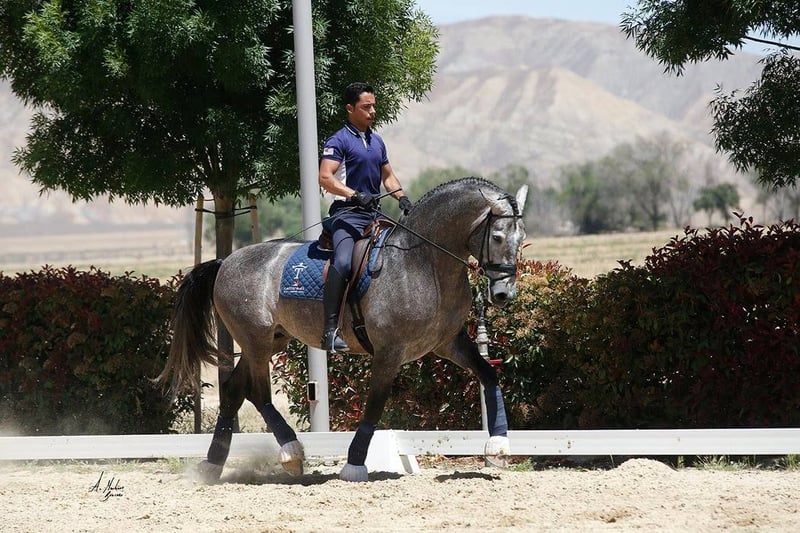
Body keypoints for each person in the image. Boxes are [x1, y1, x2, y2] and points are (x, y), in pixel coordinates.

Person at [318, 82, 413, 353]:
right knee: (344, 262)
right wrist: (355, 195)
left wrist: (402, 198)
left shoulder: (377, 141)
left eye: (373, 106)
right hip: (347, 215)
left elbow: (388, 177)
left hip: (374, 216)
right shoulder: (338, 141)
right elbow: (325, 177)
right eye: (366, 107)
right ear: (350, 108)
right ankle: (330, 331)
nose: (372, 111)